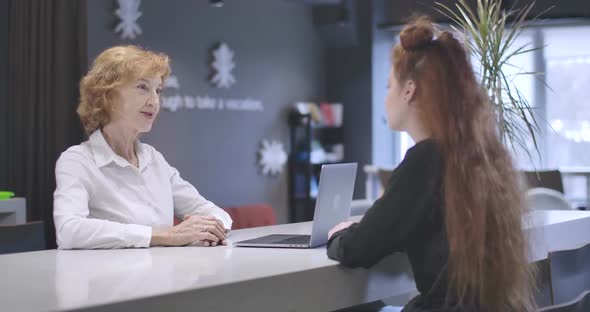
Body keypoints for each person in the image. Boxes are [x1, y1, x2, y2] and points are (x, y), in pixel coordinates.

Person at [327, 17, 536, 312]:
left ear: (409, 90)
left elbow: (356, 249)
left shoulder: (425, 159)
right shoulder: (480, 156)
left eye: (389, 86)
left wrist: (337, 234)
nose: (386, 98)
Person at [54, 45, 232, 249]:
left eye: (158, 90)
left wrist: (212, 227)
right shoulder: (77, 160)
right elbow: (68, 231)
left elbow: (213, 212)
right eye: (142, 88)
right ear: (108, 96)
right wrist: (161, 235)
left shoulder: (153, 159)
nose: (155, 101)